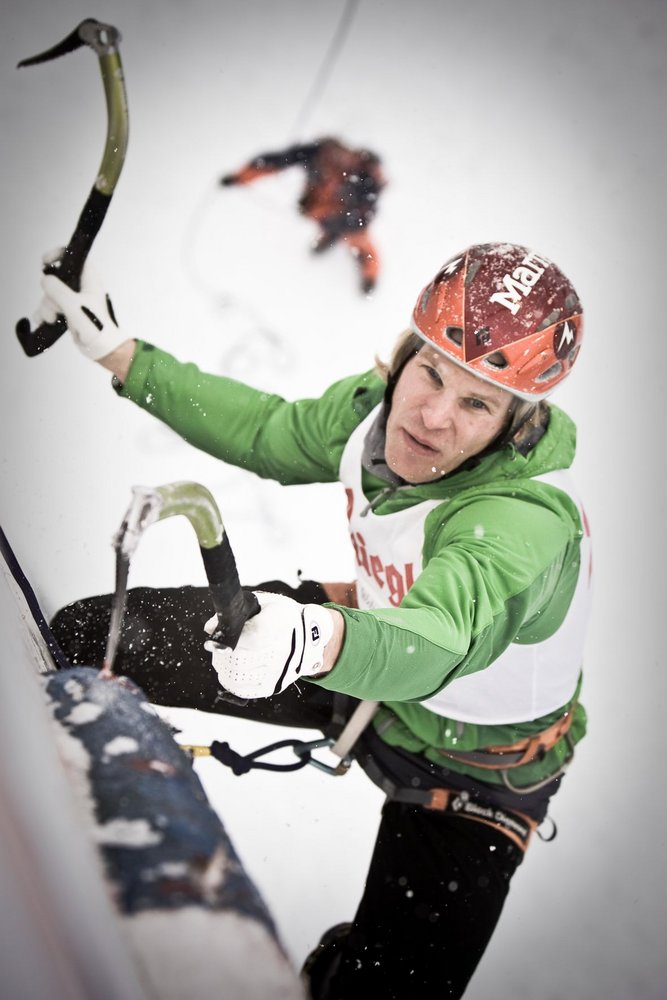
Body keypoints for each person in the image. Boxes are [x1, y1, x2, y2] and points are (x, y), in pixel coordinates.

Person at [40, 241, 591, 999]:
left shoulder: (522, 521)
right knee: (95, 637)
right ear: (407, 357)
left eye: (477, 404)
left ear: (514, 428)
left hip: (475, 775)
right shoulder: (374, 413)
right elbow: (271, 431)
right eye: (432, 372)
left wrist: (312, 638)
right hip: (352, 655)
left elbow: (436, 643)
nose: (432, 417)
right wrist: (121, 354)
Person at [220, 136, 386, 293]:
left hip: (350, 220)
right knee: (330, 226)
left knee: (360, 244)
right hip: (321, 212)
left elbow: (368, 208)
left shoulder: (364, 180)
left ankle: (369, 278)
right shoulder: (315, 154)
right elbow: (275, 161)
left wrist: (369, 279)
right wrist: (240, 177)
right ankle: (329, 236)